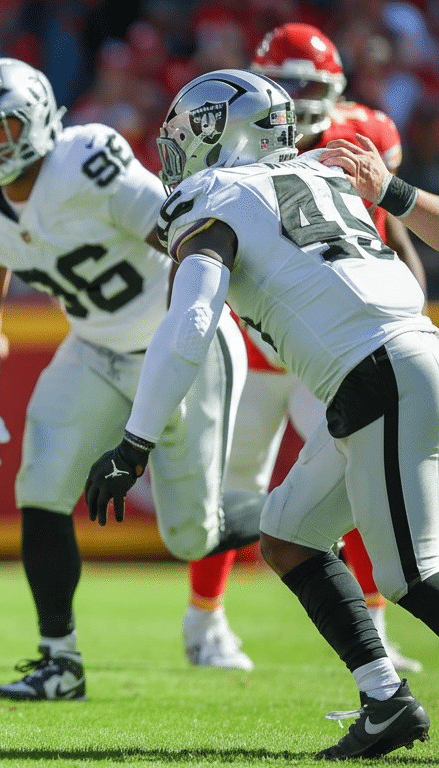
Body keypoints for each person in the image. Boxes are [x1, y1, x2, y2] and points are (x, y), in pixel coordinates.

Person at [86, 68, 435, 759]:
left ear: (225, 133)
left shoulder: (211, 197)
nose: (175, 146)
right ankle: (385, 701)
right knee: (288, 534)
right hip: (393, 364)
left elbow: (191, 319)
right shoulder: (327, 175)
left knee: (412, 577)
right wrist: (392, 194)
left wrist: (134, 444)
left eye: (186, 132)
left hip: (380, 371)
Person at [0, 57, 261, 699]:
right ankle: (59, 662)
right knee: (40, 485)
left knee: (189, 536)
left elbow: (187, 233)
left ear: (35, 117)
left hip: (177, 346)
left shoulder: (88, 158)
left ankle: (299, 508)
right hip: (93, 344)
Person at [181, 21, 426, 673]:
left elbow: (393, 235)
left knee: (364, 483)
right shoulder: (238, 137)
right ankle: (204, 620)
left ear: (337, 87)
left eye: (309, 85)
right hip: (260, 350)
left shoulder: (367, 134)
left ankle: (374, 632)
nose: (298, 96)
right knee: (233, 488)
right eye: (286, 83)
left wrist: (406, 310)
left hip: (342, 351)